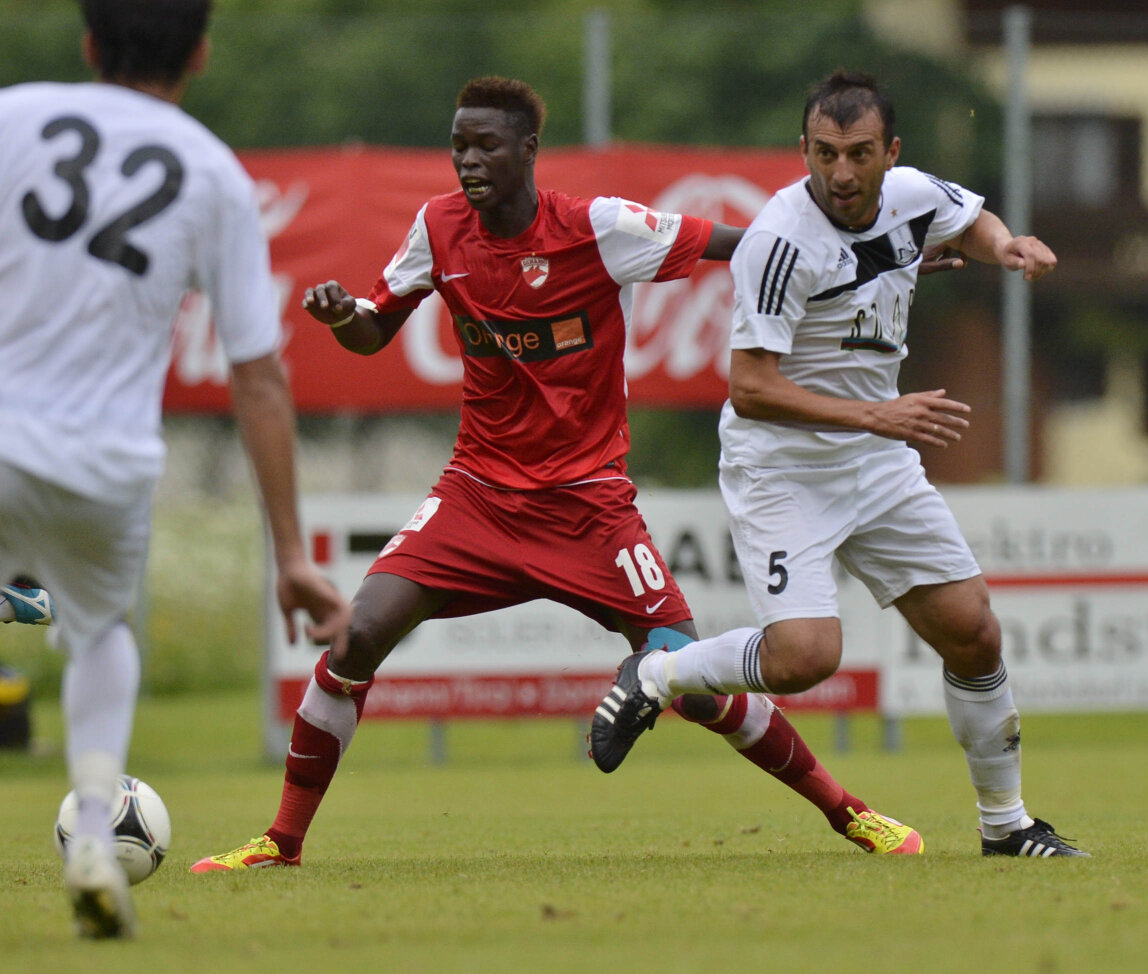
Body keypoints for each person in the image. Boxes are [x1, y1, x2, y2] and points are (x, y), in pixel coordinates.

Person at [192, 75, 930, 874]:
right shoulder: (438, 227)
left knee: (687, 676)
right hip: (476, 497)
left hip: (589, 507)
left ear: (529, 150)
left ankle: (849, 812)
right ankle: (282, 842)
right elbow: (374, 330)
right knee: (355, 636)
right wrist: (345, 317)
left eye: (486, 146)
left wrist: (860, 258)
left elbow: (742, 244)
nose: (468, 162)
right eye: (458, 147)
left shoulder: (598, 228)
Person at [590, 70, 1088, 859]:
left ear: (892, 151)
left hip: (874, 460)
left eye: (859, 153)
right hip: (781, 466)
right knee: (804, 659)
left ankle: (1006, 826)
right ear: (804, 151)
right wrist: (878, 415)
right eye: (825, 153)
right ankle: (661, 672)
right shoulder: (778, 241)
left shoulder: (911, 195)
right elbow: (751, 390)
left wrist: (1005, 246)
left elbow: (969, 220)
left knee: (973, 632)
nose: (842, 172)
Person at [0, 0, 352, 939]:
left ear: (88, 43)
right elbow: (259, 378)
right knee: (101, 631)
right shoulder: (215, 173)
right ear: (200, 53)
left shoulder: (13, 116)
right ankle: (92, 831)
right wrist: (290, 553)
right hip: (108, 461)